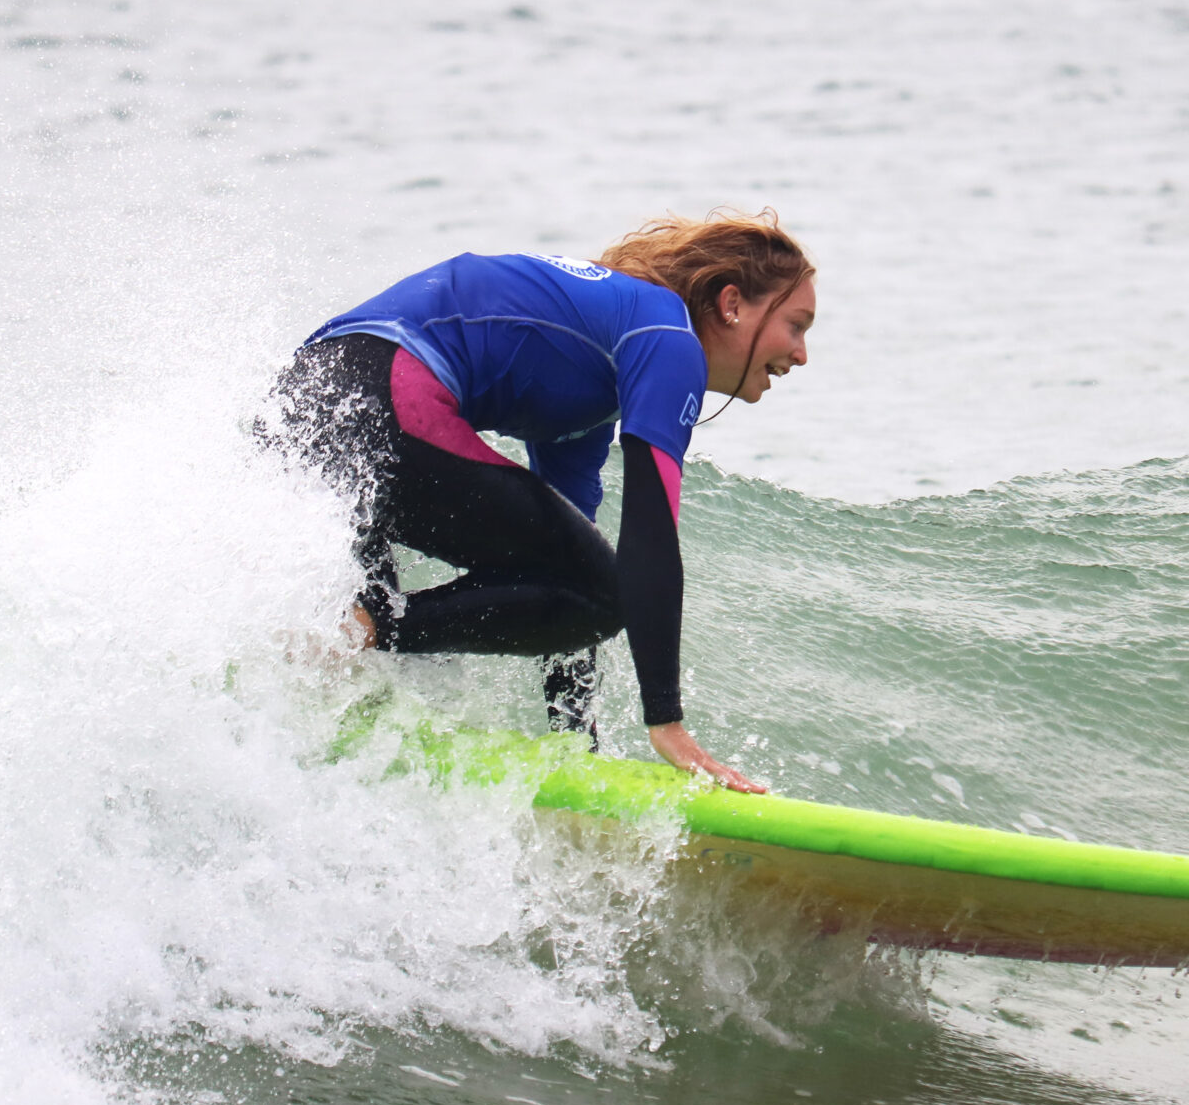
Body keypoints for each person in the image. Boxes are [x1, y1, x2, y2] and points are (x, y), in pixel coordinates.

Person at [264, 210, 816, 792]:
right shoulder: (668, 336)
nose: (801, 354)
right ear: (732, 305)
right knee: (595, 592)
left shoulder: (589, 393)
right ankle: (365, 632)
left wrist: (576, 749)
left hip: (304, 408)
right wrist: (667, 723)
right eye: (796, 325)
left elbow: (569, 590)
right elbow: (646, 543)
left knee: (361, 648)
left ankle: (313, 677)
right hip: (381, 395)